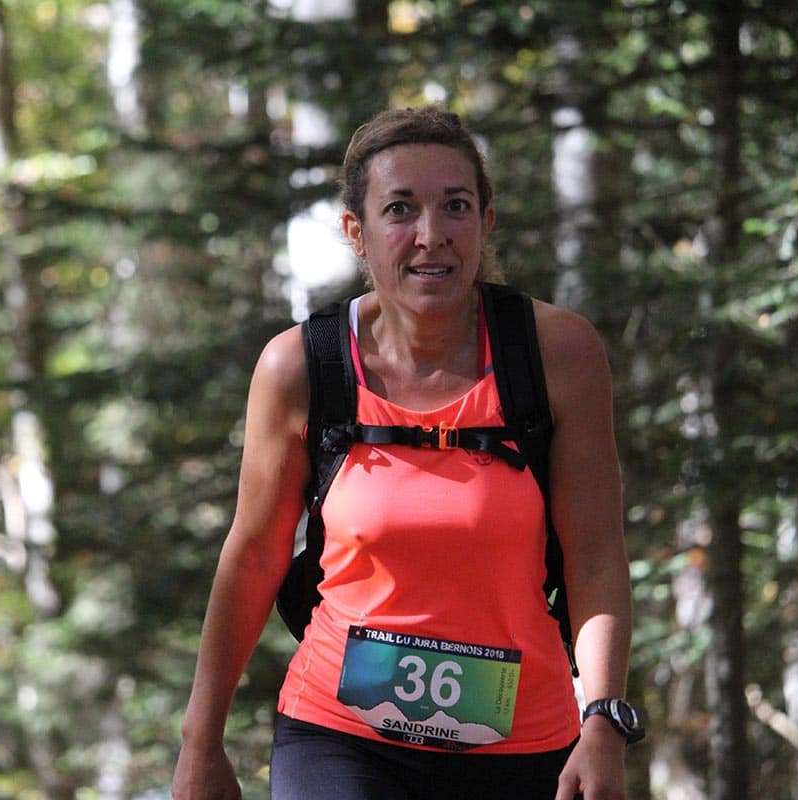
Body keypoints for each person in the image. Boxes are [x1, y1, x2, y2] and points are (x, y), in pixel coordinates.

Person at [173, 106, 636, 800]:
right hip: (339, 736)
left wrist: (602, 722)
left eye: (455, 206)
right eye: (399, 209)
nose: (431, 235)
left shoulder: (557, 353)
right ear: (356, 232)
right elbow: (256, 554)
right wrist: (200, 742)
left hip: (523, 743)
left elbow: (595, 555)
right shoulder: (301, 367)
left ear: (486, 220)